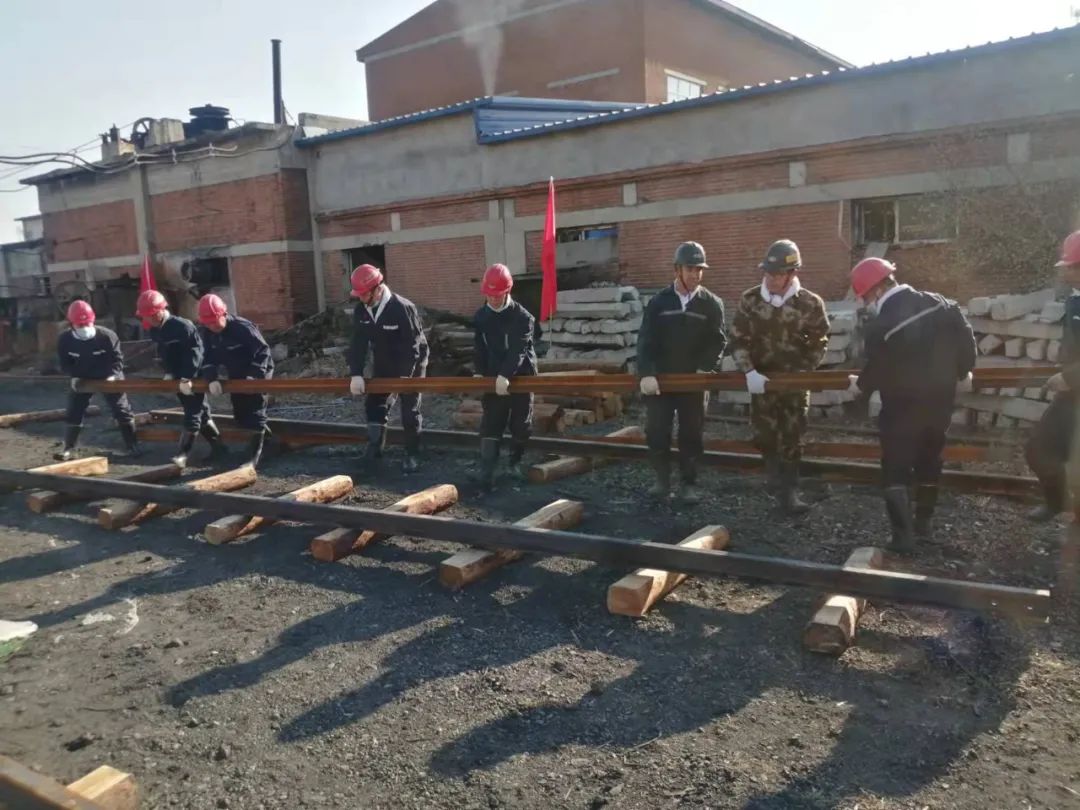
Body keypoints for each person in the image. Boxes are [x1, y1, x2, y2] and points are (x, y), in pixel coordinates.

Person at [847, 258, 976, 553]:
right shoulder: (942, 303)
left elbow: (879, 366)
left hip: (901, 408)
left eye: (865, 297)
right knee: (930, 459)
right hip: (940, 404)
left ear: (877, 290)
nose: (866, 304)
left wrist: (860, 386)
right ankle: (923, 526)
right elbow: (966, 340)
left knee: (896, 466)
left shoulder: (881, 325)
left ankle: (902, 538)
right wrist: (963, 371)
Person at [729, 239, 829, 515]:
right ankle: (773, 478)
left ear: (792, 274)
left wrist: (804, 372)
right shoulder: (750, 300)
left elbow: (819, 341)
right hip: (761, 382)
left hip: (794, 384)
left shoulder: (809, 303)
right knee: (764, 435)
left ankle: (789, 492)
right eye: (768, 273)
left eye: (777, 274)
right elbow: (738, 338)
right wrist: (748, 371)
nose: (771, 279)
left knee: (792, 438)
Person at [637, 241, 727, 503]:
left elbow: (718, 341)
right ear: (677, 269)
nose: (696, 274)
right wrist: (647, 373)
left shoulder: (711, 304)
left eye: (700, 269)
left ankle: (689, 484)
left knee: (691, 433)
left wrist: (705, 368)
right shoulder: (659, 302)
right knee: (656, 431)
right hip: (662, 380)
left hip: (694, 380)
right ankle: (662, 481)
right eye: (690, 269)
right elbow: (646, 339)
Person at [347, 264, 429, 473]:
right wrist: (356, 373)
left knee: (409, 409)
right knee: (375, 402)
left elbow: (412, 346)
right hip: (384, 357)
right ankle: (374, 451)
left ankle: (413, 454)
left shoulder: (402, 308)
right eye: (359, 294)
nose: (361, 298)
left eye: (364, 294)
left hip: (412, 359)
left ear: (377, 289)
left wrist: (404, 378)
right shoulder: (361, 310)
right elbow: (358, 344)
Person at [1024, 230, 1080, 523]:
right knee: (1039, 448)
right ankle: (1057, 503)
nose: (1065, 272)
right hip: (1072, 393)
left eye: (1070, 266)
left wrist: (1070, 376)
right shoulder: (1075, 299)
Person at [137, 289, 226, 468]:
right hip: (178, 377)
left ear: (160, 311)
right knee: (201, 412)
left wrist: (187, 377)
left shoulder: (183, 327)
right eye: (145, 316)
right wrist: (169, 372)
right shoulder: (155, 330)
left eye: (150, 315)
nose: (147, 319)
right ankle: (220, 449)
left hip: (194, 375)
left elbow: (195, 354)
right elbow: (164, 353)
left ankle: (182, 454)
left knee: (192, 413)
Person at [472, 263, 538, 490]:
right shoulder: (481, 316)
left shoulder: (523, 318)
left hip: (521, 375)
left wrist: (506, 375)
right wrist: (479, 371)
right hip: (493, 375)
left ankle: (514, 463)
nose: (492, 299)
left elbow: (518, 350)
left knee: (521, 424)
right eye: (489, 295)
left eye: (497, 295)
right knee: (492, 421)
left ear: (507, 291)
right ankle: (487, 471)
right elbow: (479, 347)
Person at [54, 300, 141, 460]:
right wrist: (74, 376)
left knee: (121, 409)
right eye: (80, 325)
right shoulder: (65, 340)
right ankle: (68, 449)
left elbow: (117, 359)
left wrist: (112, 375)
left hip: (108, 375)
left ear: (93, 320)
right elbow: (65, 363)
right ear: (72, 324)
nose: (84, 327)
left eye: (86, 323)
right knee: (74, 410)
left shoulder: (107, 336)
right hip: (82, 377)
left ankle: (132, 446)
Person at [197, 294, 274, 467]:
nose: (212, 326)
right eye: (208, 324)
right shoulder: (207, 333)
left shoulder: (242, 328)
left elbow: (263, 352)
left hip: (258, 369)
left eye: (215, 322)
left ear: (223, 314)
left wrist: (253, 376)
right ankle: (268, 440)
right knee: (241, 413)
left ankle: (254, 458)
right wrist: (212, 379)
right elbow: (208, 358)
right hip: (236, 373)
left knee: (254, 410)